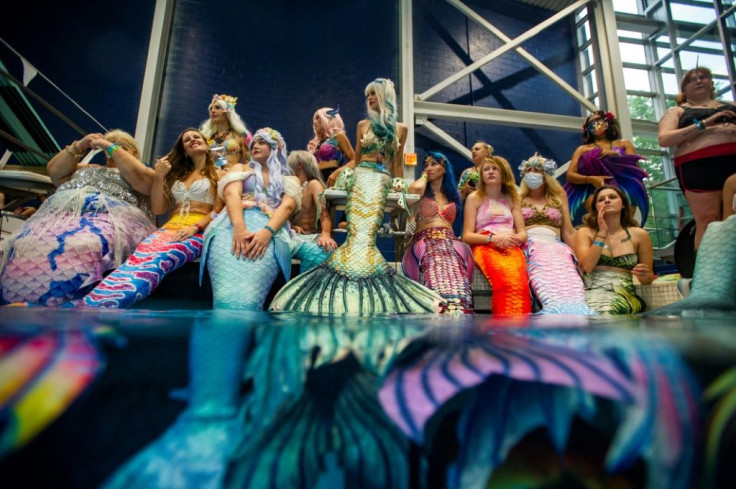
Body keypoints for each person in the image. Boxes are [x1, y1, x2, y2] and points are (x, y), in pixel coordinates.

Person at [269, 78, 442, 314]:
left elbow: (397, 165)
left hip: (382, 178)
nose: (369, 99)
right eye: (367, 95)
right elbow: (357, 159)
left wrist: (399, 188)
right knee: (355, 230)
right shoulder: (363, 125)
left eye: (373, 94)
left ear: (384, 96)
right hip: (360, 176)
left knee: (368, 230)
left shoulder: (401, 128)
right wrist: (344, 173)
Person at [0, 131, 156, 306]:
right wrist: (80, 145)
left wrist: (109, 146)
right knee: (25, 242)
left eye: (122, 144)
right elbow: (55, 171)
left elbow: (145, 181)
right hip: (60, 217)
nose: (115, 145)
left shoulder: (141, 174)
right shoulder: (88, 168)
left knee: (85, 244)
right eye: (112, 142)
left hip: (104, 218)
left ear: (134, 153)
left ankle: (62, 300)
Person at [74, 128, 224, 308]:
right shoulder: (178, 176)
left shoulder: (219, 174)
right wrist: (160, 175)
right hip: (168, 229)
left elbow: (219, 211)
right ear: (183, 150)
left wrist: (195, 228)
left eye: (196, 137)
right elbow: (158, 208)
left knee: (156, 261)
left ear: (207, 144)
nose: (192, 140)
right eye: (187, 140)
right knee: (136, 259)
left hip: (197, 232)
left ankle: (110, 302)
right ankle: (89, 301)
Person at [201, 127, 301, 310]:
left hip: (270, 233)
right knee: (224, 297)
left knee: (250, 299)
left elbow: (287, 207)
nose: (255, 145)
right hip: (230, 229)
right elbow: (232, 195)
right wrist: (239, 228)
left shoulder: (290, 179)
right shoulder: (241, 168)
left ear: (275, 147)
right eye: (254, 142)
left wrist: (266, 233)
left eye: (262, 142)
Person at [658, 66, 736, 249]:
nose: (699, 81)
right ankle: (707, 272)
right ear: (684, 89)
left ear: (711, 83)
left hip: (733, 163)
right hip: (698, 167)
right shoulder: (677, 111)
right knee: (709, 220)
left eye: (703, 77)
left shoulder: (730, 106)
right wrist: (705, 123)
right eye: (692, 79)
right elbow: (664, 139)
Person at [519, 154, 593, 315]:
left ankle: (576, 310)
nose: (533, 173)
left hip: (556, 245)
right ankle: (553, 308)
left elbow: (568, 230)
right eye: (529, 170)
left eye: (537, 170)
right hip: (530, 245)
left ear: (546, 174)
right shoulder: (518, 198)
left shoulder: (558, 197)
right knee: (543, 276)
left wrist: (580, 257)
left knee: (567, 275)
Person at [402, 151, 474, 314]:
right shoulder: (421, 191)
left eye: (433, 164)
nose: (429, 167)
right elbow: (415, 188)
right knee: (436, 277)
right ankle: (440, 311)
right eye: (426, 165)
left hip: (450, 242)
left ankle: (461, 311)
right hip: (427, 241)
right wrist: (425, 175)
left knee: (460, 281)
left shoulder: (452, 195)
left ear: (444, 167)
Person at [462, 155, 531, 316]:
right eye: (486, 169)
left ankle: (520, 329)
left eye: (495, 168)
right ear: (482, 175)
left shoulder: (512, 198)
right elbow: (466, 235)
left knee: (520, 284)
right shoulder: (474, 198)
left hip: (510, 245)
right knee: (504, 282)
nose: (490, 172)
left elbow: (522, 234)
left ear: (504, 173)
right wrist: (493, 239)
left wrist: (512, 239)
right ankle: (503, 329)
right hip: (485, 244)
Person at [575, 185, 655, 315]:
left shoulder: (640, 235)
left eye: (612, 197)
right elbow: (587, 267)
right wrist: (601, 232)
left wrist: (645, 276)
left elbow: (648, 277)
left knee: (607, 310)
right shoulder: (584, 233)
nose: (607, 200)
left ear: (623, 204)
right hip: (589, 292)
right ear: (596, 208)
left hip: (623, 295)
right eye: (601, 199)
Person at [565, 110, 648, 225]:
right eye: (591, 124)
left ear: (608, 123)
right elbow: (570, 175)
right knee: (599, 222)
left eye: (598, 121)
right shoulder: (582, 149)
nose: (595, 126)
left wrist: (617, 155)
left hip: (624, 189)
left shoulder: (623, 144)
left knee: (625, 224)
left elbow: (635, 170)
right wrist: (592, 179)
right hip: (595, 189)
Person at [287, 150, 337, 273]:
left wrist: (326, 234)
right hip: (292, 238)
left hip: (312, 237)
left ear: (298, 164)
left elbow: (324, 213)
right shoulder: (289, 185)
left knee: (325, 250)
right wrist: (291, 226)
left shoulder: (314, 185)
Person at [200, 94, 252, 171]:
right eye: (211, 108)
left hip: (232, 178)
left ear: (228, 111)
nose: (213, 111)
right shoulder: (207, 136)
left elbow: (249, 162)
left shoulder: (240, 135)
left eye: (217, 107)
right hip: (211, 178)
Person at [307, 107, 356, 185]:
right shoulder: (316, 144)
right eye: (314, 119)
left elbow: (354, 160)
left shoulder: (338, 137)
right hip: (317, 181)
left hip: (332, 180)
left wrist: (338, 172)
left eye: (318, 118)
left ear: (328, 119)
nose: (314, 122)